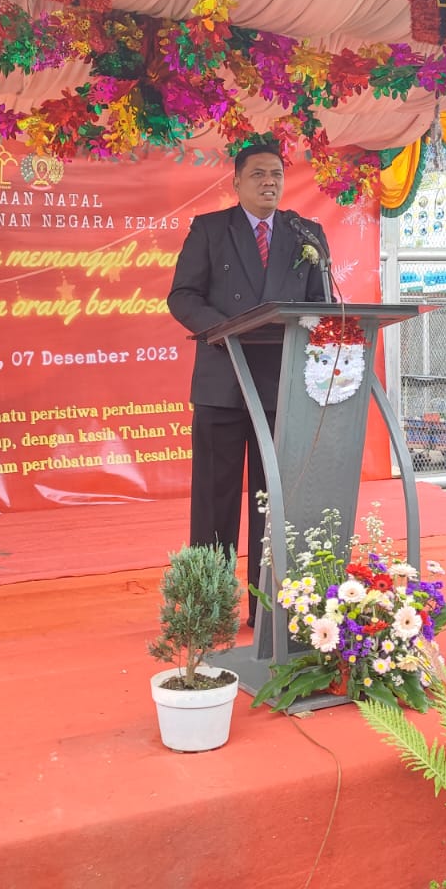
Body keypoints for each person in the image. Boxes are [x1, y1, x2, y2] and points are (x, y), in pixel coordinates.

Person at [167, 142, 330, 618]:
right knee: (213, 497)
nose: (269, 182)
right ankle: (210, 604)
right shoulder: (210, 229)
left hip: (282, 386)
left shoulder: (306, 233)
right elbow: (182, 296)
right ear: (236, 182)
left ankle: (270, 609)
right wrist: (225, 330)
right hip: (223, 380)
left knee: (273, 499)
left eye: (276, 173)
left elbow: (321, 304)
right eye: (258, 174)